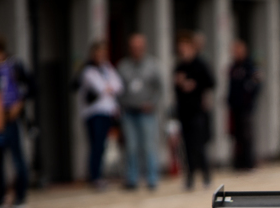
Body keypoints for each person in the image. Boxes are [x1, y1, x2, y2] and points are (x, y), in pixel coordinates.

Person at [117, 33, 163, 190]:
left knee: (149, 146)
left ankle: (152, 179)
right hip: (129, 112)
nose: (136, 50)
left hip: (147, 113)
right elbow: (118, 89)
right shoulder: (123, 66)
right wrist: (121, 104)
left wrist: (152, 103)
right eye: (133, 47)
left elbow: (159, 88)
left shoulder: (152, 65)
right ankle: (132, 179)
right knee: (131, 147)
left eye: (139, 47)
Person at [78, 40, 123, 190]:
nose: (100, 56)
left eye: (103, 53)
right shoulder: (88, 70)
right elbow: (100, 88)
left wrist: (109, 88)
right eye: (98, 53)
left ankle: (99, 175)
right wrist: (109, 88)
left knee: (103, 145)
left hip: (107, 111)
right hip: (93, 113)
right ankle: (94, 176)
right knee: (96, 145)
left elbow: (119, 85)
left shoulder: (107, 68)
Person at [174, 31, 215, 190]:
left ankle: (205, 175)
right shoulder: (180, 66)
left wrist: (194, 84)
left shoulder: (200, 64)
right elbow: (176, 88)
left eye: (184, 47)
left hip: (197, 110)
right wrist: (179, 84)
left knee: (199, 145)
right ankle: (190, 177)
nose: (182, 50)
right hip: (184, 111)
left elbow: (211, 82)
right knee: (187, 146)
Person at [0, 35, 31, 208]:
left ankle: (20, 198)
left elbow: (31, 85)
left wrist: (20, 103)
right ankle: (1, 199)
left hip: (11, 118)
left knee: (18, 159)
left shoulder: (13, 65)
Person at [227, 39, 261, 170]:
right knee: (236, 136)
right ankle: (238, 163)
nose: (236, 53)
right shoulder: (233, 67)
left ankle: (249, 163)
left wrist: (249, 97)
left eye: (238, 50)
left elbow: (257, 84)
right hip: (235, 107)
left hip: (246, 107)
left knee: (247, 136)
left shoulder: (250, 66)